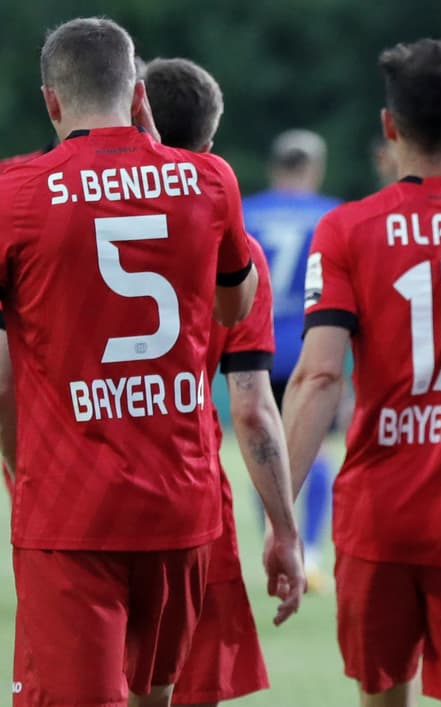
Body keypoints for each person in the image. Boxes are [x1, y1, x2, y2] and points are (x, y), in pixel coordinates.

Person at [0, 17, 302, 707]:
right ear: (138, 94)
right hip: (181, 502)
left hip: (72, 506)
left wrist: (20, 465)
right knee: (156, 695)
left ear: (51, 101)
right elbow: (234, 309)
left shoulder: (15, 195)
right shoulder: (210, 181)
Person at [282, 38, 441, 707]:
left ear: (389, 127)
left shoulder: (345, 229)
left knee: (383, 695)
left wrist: (284, 520)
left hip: (382, 513)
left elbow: (317, 378)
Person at [143, 56, 302, 707]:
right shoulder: (232, 244)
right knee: (187, 685)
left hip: (82, 484)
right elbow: (253, 408)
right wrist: (285, 530)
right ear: (209, 145)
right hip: (190, 490)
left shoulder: (68, 220)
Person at [242, 127, 341, 587]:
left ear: (274, 167)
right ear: (314, 169)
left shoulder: (247, 213)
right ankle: (313, 552)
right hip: (309, 350)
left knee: (259, 446)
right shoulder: (331, 216)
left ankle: (271, 547)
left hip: (254, 349)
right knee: (314, 449)